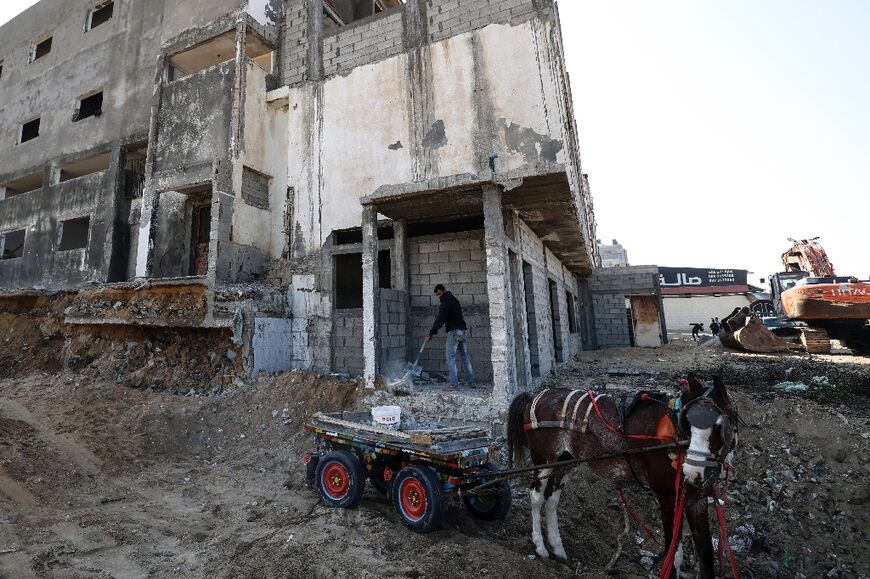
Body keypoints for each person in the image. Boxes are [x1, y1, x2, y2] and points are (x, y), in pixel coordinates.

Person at [425, 284, 476, 389]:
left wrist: (431, 333)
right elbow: (450, 315)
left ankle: (454, 385)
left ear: (443, 291)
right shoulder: (454, 300)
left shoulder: (445, 302)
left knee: (450, 358)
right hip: (463, 330)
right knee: (465, 357)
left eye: (439, 294)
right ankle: (472, 382)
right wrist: (440, 316)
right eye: (437, 295)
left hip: (454, 332)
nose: (439, 296)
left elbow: (441, 319)